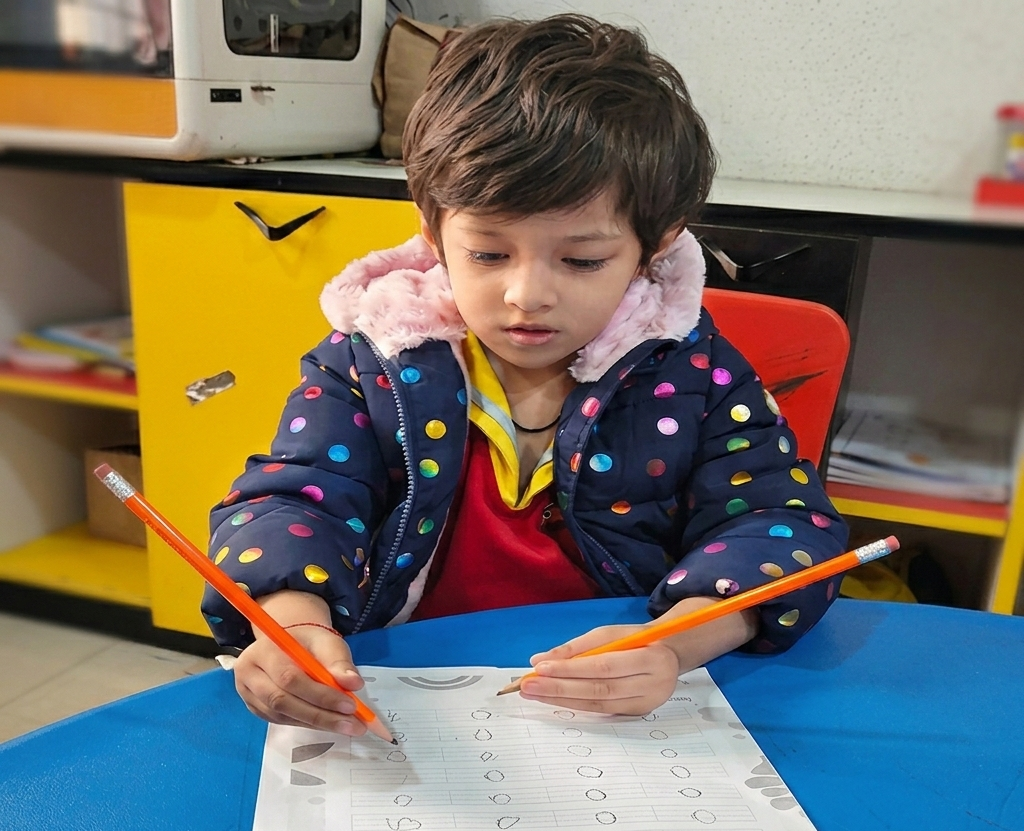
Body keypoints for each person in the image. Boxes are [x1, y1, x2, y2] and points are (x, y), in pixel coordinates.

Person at [202, 14, 848, 736]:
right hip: (404, 693)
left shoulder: (697, 371)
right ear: (431, 228)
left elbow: (784, 527)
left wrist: (671, 645)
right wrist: (292, 629)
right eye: (487, 253)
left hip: (620, 700)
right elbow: (292, 503)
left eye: (580, 260)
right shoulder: (372, 355)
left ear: (656, 245)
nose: (526, 295)